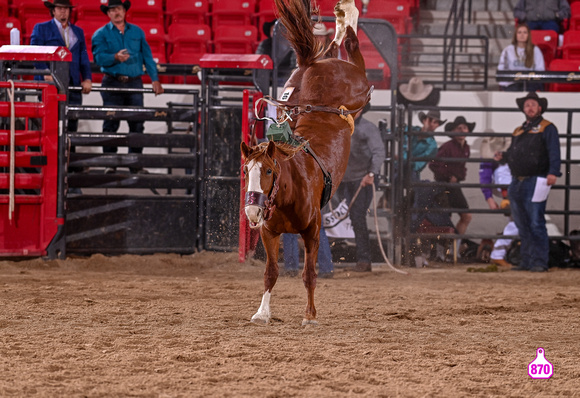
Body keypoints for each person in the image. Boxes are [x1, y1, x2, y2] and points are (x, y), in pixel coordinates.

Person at [92, 0, 164, 174]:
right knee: (111, 122)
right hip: (112, 81)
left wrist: (155, 79)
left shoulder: (138, 32)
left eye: (119, 9)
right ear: (108, 13)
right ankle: (110, 162)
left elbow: (148, 57)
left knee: (137, 123)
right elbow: (98, 58)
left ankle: (135, 163)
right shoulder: (100, 34)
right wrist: (114, 57)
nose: (116, 13)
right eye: (112, 10)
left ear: (124, 11)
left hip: (134, 82)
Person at [495, 92, 561, 272]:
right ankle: (527, 261)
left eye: (533, 104)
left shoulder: (547, 128)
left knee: (534, 221)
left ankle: (538, 261)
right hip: (518, 180)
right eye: (527, 105)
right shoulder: (519, 130)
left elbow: (554, 151)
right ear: (524, 109)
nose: (530, 108)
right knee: (522, 222)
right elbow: (514, 153)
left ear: (539, 108)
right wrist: (504, 156)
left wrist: (553, 172)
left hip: (536, 179)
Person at [30, 0, 92, 173]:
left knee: (71, 126)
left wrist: (86, 77)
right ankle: (48, 167)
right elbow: (35, 53)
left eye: (66, 9)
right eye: (60, 8)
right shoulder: (41, 28)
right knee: (49, 125)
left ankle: (68, 167)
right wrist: (45, 73)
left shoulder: (77, 31)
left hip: (71, 84)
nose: (63, 12)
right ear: (53, 10)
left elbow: (84, 58)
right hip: (49, 86)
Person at [337, 104, 386, 272]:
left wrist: (371, 173)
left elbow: (379, 152)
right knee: (355, 217)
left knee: (357, 217)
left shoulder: (368, 129)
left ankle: (364, 260)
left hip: (362, 179)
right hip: (345, 178)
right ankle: (362, 259)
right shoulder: (342, 127)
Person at [429, 116, 474, 235]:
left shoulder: (466, 148)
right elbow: (434, 164)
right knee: (447, 219)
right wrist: (449, 176)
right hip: (443, 185)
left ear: (468, 131)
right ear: (453, 132)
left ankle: (454, 247)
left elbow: (462, 169)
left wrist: (457, 176)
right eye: (459, 128)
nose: (462, 130)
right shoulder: (448, 146)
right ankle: (449, 249)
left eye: (464, 128)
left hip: (454, 185)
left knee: (465, 216)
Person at [479, 135, 518, 267]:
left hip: (515, 188)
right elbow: (485, 177)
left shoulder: (509, 155)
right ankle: (498, 254)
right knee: (519, 221)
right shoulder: (492, 161)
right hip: (510, 190)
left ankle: (501, 254)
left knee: (517, 221)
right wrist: (490, 198)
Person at [497, 23, 545, 92]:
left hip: (530, 84)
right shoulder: (507, 50)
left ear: (528, 35)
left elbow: (540, 69)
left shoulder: (535, 50)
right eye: (519, 32)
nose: (522, 35)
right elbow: (501, 69)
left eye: (525, 32)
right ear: (515, 35)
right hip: (512, 83)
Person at [406, 109, 446, 181]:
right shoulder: (411, 130)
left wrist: (402, 159)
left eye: (435, 122)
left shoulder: (433, 146)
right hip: (397, 168)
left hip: (411, 173)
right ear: (424, 120)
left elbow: (418, 166)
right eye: (430, 120)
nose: (432, 124)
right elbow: (394, 132)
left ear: (438, 125)